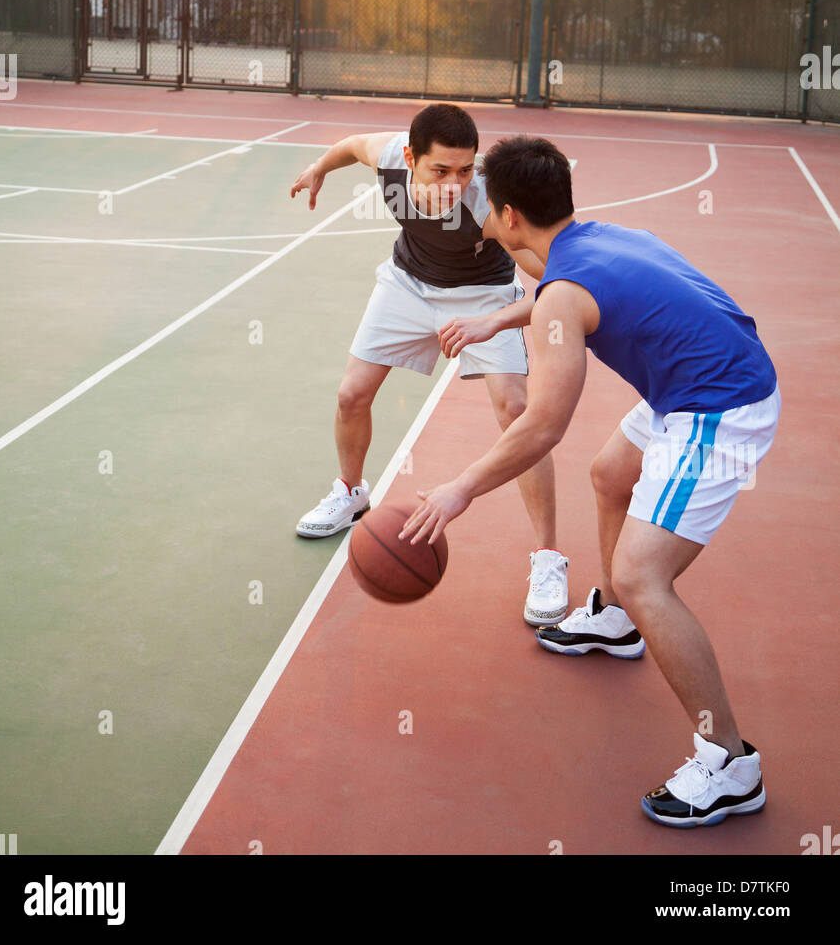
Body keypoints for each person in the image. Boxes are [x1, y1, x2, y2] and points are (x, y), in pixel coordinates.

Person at [400, 134, 780, 828]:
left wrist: (459, 489)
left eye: (485, 194)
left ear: (511, 215)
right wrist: (498, 317)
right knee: (611, 473)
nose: (475, 202)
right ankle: (615, 624)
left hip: (719, 408)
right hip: (698, 381)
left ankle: (730, 762)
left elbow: (544, 425)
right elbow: (560, 296)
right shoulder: (596, 239)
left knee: (644, 574)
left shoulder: (563, 291)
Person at [289, 103, 567, 625]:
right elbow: (352, 144)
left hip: (483, 294)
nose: (457, 182)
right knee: (351, 394)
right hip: (407, 283)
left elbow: (562, 284)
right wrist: (319, 169)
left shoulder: (488, 205)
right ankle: (350, 494)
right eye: (441, 170)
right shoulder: (390, 156)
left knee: (517, 411)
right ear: (412, 157)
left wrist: (502, 320)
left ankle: (549, 557)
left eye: (466, 169)